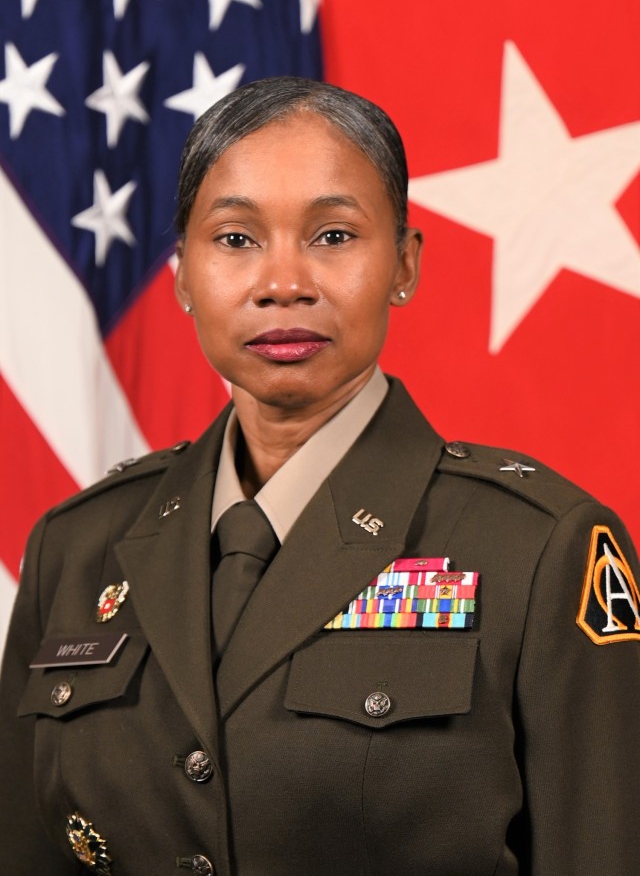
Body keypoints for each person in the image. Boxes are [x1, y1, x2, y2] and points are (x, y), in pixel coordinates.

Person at [1, 77, 639, 876]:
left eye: (333, 236)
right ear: (181, 279)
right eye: (235, 239)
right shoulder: (76, 546)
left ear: (405, 264)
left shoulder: (540, 551)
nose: (283, 282)